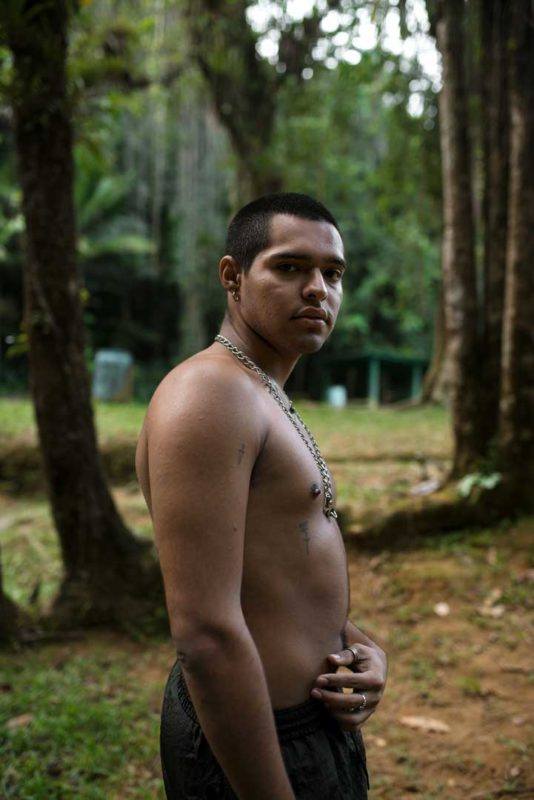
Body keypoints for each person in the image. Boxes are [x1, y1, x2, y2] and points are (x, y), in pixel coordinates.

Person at [135, 193, 388, 800]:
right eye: (290, 267)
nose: (317, 289)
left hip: (306, 724)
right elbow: (205, 632)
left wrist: (359, 646)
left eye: (332, 274)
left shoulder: (258, 391)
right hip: (256, 736)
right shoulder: (210, 395)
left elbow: (271, 576)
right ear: (233, 276)